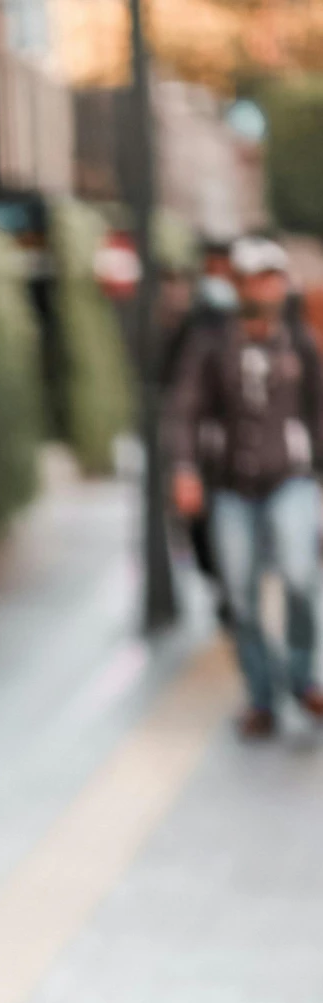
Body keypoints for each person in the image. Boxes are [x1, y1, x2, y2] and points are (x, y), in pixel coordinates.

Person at [169, 235, 323, 739]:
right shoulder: (211, 344)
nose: (269, 287)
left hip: (290, 478)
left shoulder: (299, 341)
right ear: (239, 285)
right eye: (258, 277)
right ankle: (262, 696)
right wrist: (186, 468)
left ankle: (303, 680)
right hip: (231, 485)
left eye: (275, 277)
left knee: (301, 576)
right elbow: (186, 410)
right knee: (241, 595)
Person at [161, 240, 238, 627]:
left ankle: (233, 589)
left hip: (235, 450)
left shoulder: (244, 319)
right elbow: (172, 384)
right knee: (198, 527)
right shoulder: (190, 324)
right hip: (198, 447)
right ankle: (222, 585)